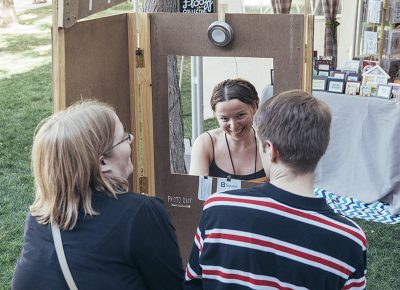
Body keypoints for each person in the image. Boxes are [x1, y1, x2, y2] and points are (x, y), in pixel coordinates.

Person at [184, 90, 367, 290]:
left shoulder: (217, 208)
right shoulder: (351, 239)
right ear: (322, 147)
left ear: (270, 149)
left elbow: (194, 282)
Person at [12, 100, 184, 290]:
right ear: (102, 163)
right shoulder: (141, 214)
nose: (131, 139)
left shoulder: (39, 218)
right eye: (124, 137)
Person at [189, 78, 266, 181]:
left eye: (240, 115)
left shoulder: (270, 143)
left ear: (254, 107)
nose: (233, 126)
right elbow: (196, 191)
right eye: (224, 119)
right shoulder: (205, 144)